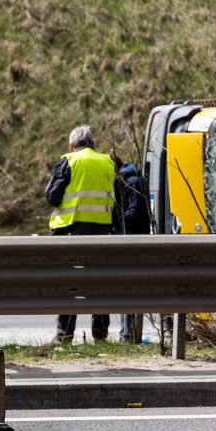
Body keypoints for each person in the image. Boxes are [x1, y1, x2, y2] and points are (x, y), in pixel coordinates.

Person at [44, 124, 115, 344]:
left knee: (70, 286)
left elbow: (51, 198)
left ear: (71, 145)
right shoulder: (108, 162)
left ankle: (64, 335)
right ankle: (100, 336)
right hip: (102, 232)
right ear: (93, 143)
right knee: (99, 285)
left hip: (70, 232)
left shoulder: (69, 161)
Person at [112, 161, 151, 342]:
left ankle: (126, 334)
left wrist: (117, 217)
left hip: (132, 240)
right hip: (138, 239)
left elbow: (134, 212)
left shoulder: (132, 182)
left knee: (127, 288)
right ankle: (127, 334)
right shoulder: (137, 180)